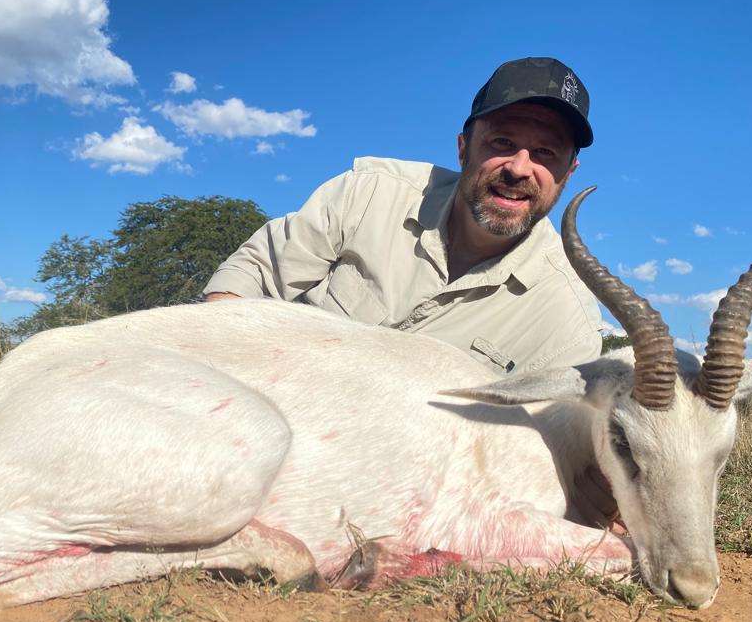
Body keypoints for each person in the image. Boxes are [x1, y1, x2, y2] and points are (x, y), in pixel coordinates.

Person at [204, 56, 619, 527]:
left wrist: (598, 493)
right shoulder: (369, 193)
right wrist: (217, 394)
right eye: (502, 143)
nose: (520, 168)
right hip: (247, 418)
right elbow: (249, 277)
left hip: (380, 491)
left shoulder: (568, 320)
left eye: (545, 153)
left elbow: (554, 456)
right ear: (463, 148)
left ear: (568, 173)